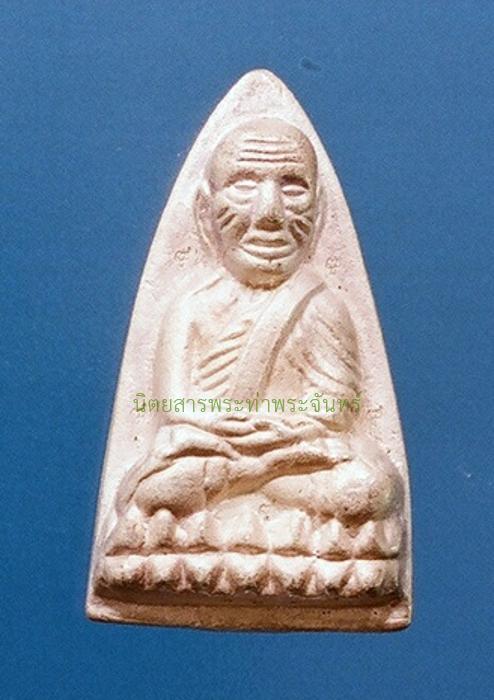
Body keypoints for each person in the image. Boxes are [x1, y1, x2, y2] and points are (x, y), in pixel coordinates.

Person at [101, 118, 403, 599]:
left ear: (319, 209)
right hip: (217, 455)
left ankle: (229, 519)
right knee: (156, 489)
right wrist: (236, 437)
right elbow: (175, 408)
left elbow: (339, 409)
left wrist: (278, 436)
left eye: (293, 188)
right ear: (205, 210)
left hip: (294, 460)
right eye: (244, 185)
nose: (269, 213)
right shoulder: (190, 306)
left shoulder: (321, 304)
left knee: (369, 488)